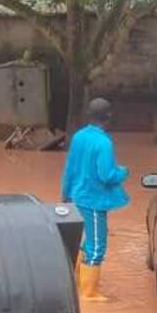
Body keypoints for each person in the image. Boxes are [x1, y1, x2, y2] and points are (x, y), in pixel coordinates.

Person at [62, 98, 129, 302]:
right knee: (97, 245)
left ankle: (79, 282)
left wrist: (65, 195)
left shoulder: (79, 137)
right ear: (109, 117)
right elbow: (107, 175)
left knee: (87, 242)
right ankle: (89, 293)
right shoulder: (104, 143)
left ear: (88, 115)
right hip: (94, 201)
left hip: (76, 196)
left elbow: (70, 169)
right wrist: (123, 172)